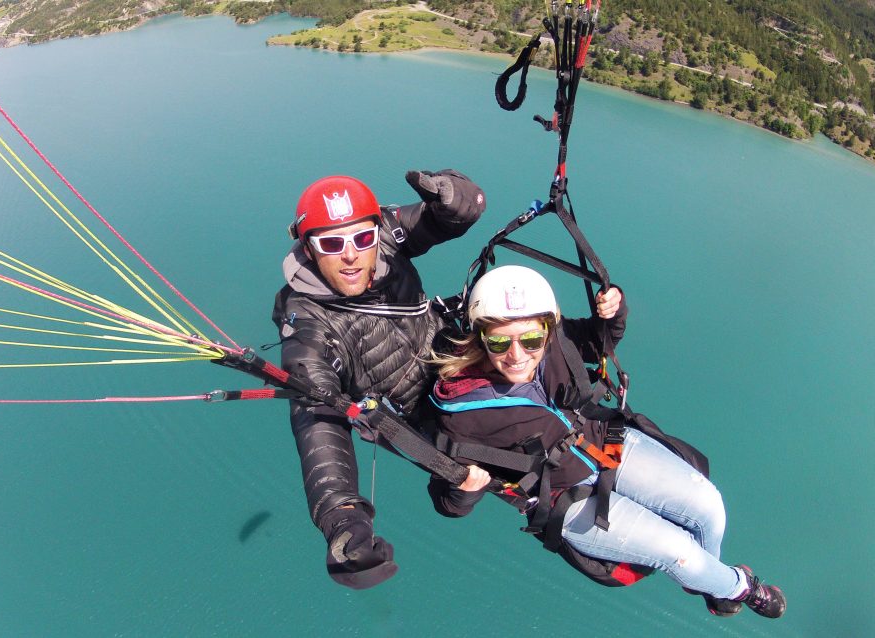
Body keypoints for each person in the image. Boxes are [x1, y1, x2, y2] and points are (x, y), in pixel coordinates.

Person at [426, 265, 786, 618]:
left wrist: (614, 312)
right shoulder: (462, 411)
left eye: (531, 339)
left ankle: (709, 582)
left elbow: (600, 339)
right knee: (681, 553)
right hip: (566, 495)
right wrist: (466, 490)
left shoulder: (557, 341)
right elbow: (446, 501)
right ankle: (739, 586)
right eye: (500, 341)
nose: (517, 355)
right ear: (480, 337)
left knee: (709, 506)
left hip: (606, 444)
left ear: (547, 330)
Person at [272, 170, 486, 590]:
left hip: (457, 357)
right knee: (472, 469)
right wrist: (343, 520)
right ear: (308, 248)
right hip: (427, 415)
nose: (351, 255)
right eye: (331, 244)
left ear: (374, 231)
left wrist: (452, 197)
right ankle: (457, 492)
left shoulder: (384, 230)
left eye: (361, 240)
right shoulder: (309, 326)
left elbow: (452, 217)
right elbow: (317, 418)